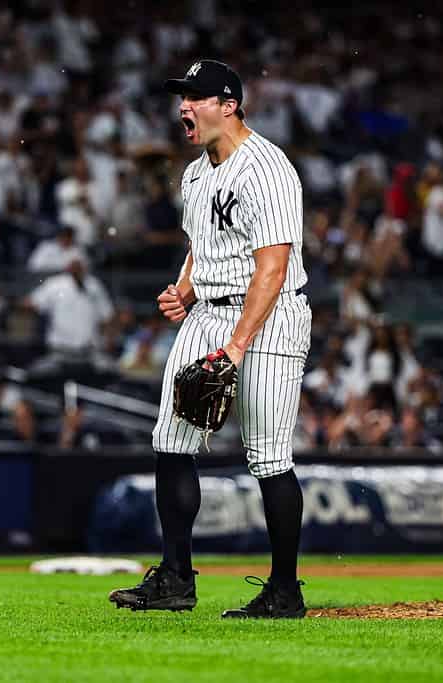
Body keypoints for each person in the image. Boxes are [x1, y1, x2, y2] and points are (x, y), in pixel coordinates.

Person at [110, 61, 312, 619]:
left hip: (268, 317)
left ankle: (284, 591)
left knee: (268, 456)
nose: (184, 107)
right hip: (209, 315)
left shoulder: (267, 169)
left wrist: (238, 346)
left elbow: (272, 267)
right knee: (170, 441)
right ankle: (176, 577)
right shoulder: (196, 174)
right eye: (182, 97)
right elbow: (204, 243)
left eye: (196, 97)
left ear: (229, 105)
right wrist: (183, 288)